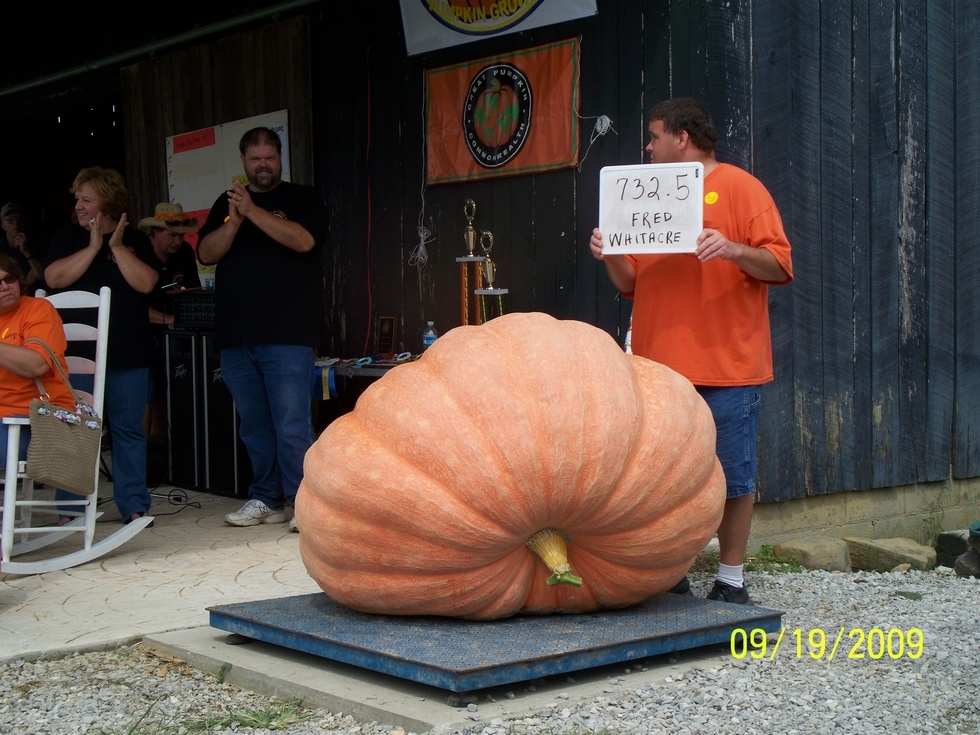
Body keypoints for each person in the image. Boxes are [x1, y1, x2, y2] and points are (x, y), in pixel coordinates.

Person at [590, 98, 793, 604]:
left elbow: (780, 265)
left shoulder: (742, 188)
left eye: (654, 136)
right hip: (658, 371)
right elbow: (630, 281)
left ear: (682, 138)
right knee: (662, 481)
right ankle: (671, 570)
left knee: (733, 477)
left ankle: (731, 580)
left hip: (728, 367)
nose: (648, 146)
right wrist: (610, 253)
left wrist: (732, 248)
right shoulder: (643, 197)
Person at [197, 127, 325, 530]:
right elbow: (205, 253)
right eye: (255, 159)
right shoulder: (226, 203)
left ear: (281, 157)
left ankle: (302, 503)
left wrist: (252, 211)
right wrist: (234, 221)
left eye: (270, 157)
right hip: (236, 333)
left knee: (291, 424)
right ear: (243, 162)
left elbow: (304, 241)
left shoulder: (302, 197)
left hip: (287, 332)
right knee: (254, 425)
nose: (263, 165)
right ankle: (266, 497)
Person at [44, 167, 160, 525]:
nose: (78, 205)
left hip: (128, 353)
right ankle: (70, 509)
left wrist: (115, 247)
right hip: (77, 356)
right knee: (75, 429)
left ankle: (133, 505)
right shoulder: (67, 236)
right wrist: (93, 247)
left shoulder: (133, 239)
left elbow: (147, 283)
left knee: (128, 430)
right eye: (77, 199)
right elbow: (53, 278)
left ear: (106, 203)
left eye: (86, 199)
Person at [0, 253, 75, 468]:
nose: (4, 286)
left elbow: (37, 364)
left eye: (9, 279)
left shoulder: (38, 309)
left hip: (36, 420)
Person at [139, 203, 202, 443]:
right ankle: (143, 451)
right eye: (172, 235)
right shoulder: (140, 253)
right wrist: (169, 319)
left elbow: (193, 290)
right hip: (143, 334)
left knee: (174, 388)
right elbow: (131, 307)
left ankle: (166, 447)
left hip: (176, 335)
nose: (178, 241)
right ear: (155, 232)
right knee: (147, 391)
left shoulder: (184, 252)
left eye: (181, 236)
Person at [1, 203, 44, 290]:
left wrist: (27, 253)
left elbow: (44, 276)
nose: (16, 223)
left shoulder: (37, 244)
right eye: (10, 220)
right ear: (3, 226)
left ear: (24, 222)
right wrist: (24, 283)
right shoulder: (1, 249)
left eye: (19, 218)